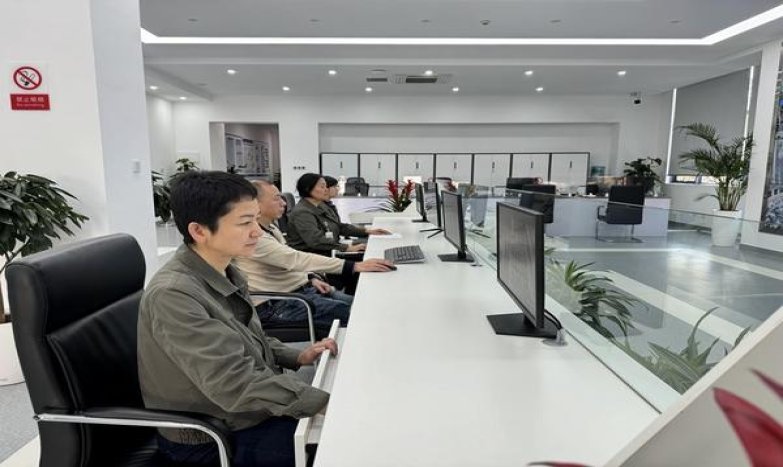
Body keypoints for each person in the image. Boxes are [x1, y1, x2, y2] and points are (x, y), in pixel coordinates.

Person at [138, 170, 336, 467]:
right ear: (199, 231)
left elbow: (246, 336)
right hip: (212, 435)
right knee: (339, 446)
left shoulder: (225, 269)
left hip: (245, 411)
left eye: (256, 219)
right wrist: (326, 403)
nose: (257, 231)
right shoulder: (174, 294)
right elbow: (233, 384)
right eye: (245, 223)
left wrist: (297, 356)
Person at [234, 180, 395, 327]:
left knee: (365, 305)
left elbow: (287, 259)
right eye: (277, 198)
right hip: (281, 302)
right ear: (255, 204)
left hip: (301, 290)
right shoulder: (254, 237)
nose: (283, 203)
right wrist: (354, 266)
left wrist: (310, 278)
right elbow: (293, 258)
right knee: (363, 313)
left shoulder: (270, 227)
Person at [286, 173, 391, 257]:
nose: (326, 189)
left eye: (326, 186)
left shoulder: (321, 206)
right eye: (322, 187)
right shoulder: (302, 212)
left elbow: (339, 226)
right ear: (308, 189)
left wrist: (367, 231)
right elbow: (316, 241)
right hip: (314, 257)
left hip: (328, 251)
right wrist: (347, 248)